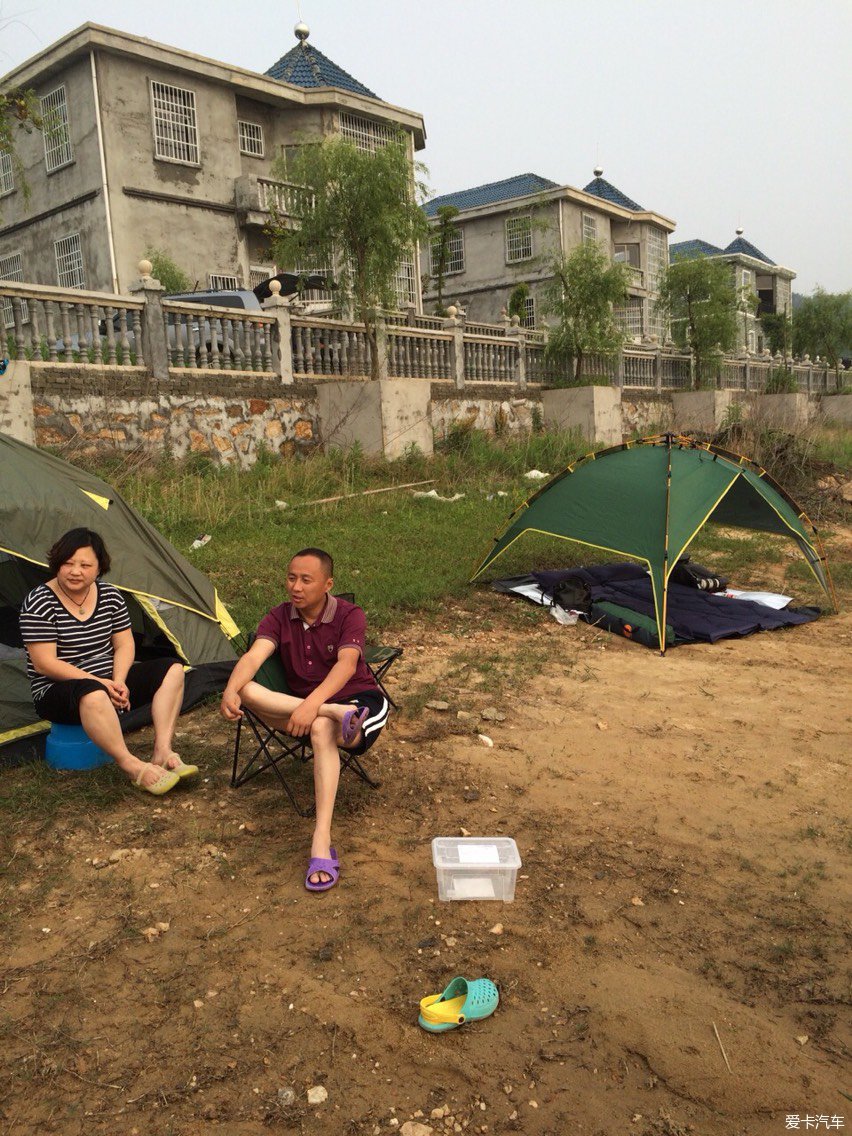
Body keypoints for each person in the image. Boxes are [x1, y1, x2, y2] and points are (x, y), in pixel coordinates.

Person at [220, 548, 388, 892]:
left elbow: (346, 665)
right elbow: (254, 657)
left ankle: (320, 838)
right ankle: (328, 713)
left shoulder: (349, 614)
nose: (295, 587)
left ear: (328, 584)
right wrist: (230, 690)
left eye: (306, 580)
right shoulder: (279, 617)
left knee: (322, 725)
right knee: (249, 690)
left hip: (358, 703)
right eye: (291, 578)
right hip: (305, 709)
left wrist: (313, 705)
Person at [19, 527, 198, 796]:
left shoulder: (110, 596)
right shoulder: (39, 601)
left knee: (172, 669)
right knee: (92, 694)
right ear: (56, 563)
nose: (75, 571)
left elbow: (125, 644)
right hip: (57, 691)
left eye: (85, 565)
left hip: (108, 683)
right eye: (67, 563)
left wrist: (119, 680)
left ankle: (163, 750)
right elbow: (45, 663)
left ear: (99, 567)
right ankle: (132, 766)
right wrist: (101, 683)